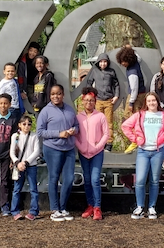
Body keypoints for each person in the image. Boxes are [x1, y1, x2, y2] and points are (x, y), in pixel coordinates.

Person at [121, 92, 164, 219]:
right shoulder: (140, 115)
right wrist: (135, 139)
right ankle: (140, 207)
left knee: (154, 181)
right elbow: (125, 126)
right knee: (140, 180)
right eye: (149, 101)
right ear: (146, 103)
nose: (151, 103)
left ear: (157, 102)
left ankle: (152, 207)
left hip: (157, 152)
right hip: (143, 151)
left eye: (153, 100)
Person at [37, 84, 79, 222]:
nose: (56, 96)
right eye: (53, 94)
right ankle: (55, 210)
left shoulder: (69, 109)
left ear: (63, 95)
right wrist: (58, 134)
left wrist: (74, 130)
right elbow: (40, 132)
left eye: (59, 93)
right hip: (52, 148)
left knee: (68, 179)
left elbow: (77, 126)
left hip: (69, 149)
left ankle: (63, 208)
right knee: (54, 178)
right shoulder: (45, 111)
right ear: (50, 96)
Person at [75, 87, 109, 220]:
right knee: (87, 180)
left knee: (95, 180)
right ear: (82, 101)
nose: (89, 103)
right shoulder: (78, 117)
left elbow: (106, 134)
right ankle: (90, 205)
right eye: (86, 100)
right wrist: (81, 147)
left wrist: (98, 147)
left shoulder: (100, 116)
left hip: (97, 153)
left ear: (95, 102)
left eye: (91, 101)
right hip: (84, 153)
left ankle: (97, 207)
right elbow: (75, 135)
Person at [86, 53, 119, 152]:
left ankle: (109, 143)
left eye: (105, 62)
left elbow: (116, 84)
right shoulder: (95, 71)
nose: (103, 64)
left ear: (107, 62)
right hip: (98, 100)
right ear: (98, 63)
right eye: (101, 62)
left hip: (109, 100)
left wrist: (116, 95)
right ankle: (99, 141)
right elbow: (89, 82)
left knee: (108, 122)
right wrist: (91, 95)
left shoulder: (111, 72)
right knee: (97, 122)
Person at [10, 115, 40, 221]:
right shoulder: (15, 136)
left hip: (31, 165)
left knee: (33, 189)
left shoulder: (34, 136)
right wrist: (17, 162)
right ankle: (15, 211)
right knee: (17, 189)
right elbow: (12, 152)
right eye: (24, 124)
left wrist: (26, 162)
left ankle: (34, 211)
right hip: (19, 166)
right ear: (19, 125)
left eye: (29, 124)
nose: (26, 126)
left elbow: (36, 151)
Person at [116, 46, 146, 154]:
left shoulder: (132, 71)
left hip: (136, 96)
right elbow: (139, 58)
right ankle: (137, 141)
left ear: (128, 60)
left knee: (129, 120)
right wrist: (131, 49)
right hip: (141, 94)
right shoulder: (136, 62)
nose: (122, 64)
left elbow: (134, 88)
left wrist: (131, 102)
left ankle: (136, 141)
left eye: (123, 62)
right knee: (136, 120)